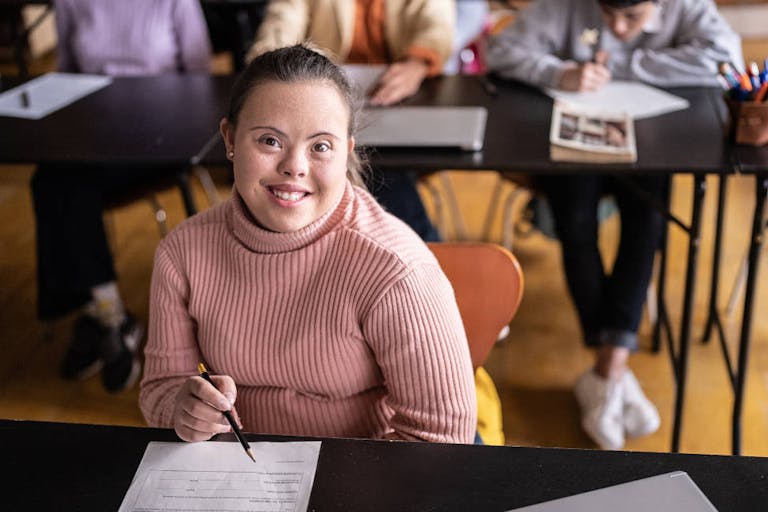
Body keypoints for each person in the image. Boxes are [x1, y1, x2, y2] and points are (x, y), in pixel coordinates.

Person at [139, 45, 477, 444]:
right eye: (269, 141)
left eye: (320, 146)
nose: (294, 167)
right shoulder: (182, 253)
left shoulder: (395, 270)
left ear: (346, 153)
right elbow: (160, 388)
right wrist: (182, 409)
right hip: (238, 468)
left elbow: (441, 438)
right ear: (229, 138)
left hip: (364, 467)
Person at [486, 0, 742, 450]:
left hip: (654, 138)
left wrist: (624, 65)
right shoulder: (567, 5)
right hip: (573, 141)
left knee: (648, 223)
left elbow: (727, 58)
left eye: (632, 18)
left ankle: (606, 371)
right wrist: (557, 73)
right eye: (608, 16)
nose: (618, 28)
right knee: (575, 220)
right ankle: (613, 372)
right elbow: (500, 49)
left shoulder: (686, 6)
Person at [32, 0, 211, 392]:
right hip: (95, 133)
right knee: (52, 180)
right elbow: (66, 75)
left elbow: (200, 77)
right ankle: (108, 314)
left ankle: (100, 314)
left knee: (63, 185)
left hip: (160, 134)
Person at [246, 0, 456, 242]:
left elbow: (436, 24)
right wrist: (272, 63)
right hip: (320, 100)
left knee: (382, 168)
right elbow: (282, 21)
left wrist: (416, 63)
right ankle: (418, 244)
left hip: (399, 100)